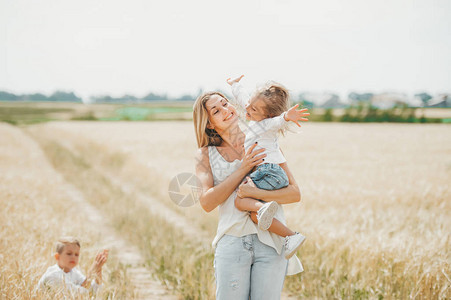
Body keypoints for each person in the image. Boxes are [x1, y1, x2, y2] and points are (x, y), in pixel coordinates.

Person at [193, 82, 309, 299]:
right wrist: (244, 168)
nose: (226, 111)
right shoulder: (205, 155)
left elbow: (294, 193)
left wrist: (254, 195)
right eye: (216, 111)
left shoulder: (263, 139)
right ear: (209, 124)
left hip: (271, 241)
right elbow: (207, 203)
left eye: (226, 104)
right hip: (233, 241)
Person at [226, 75, 307, 259]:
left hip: (269, 172)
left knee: (240, 200)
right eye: (250, 104)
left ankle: (264, 209)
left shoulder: (265, 124)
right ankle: (291, 237)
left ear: (267, 115)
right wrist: (234, 84)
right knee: (257, 218)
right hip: (270, 173)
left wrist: (287, 116)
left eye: (253, 108)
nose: (247, 108)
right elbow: (243, 98)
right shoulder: (255, 114)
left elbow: (277, 121)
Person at [37, 236, 108, 296]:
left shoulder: (73, 272)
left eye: (76, 254)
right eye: (69, 253)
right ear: (57, 257)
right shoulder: (53, 275)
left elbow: (93, 292)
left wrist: (98, 268)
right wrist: (91, 271)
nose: (73, 257)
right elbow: (79, 295)